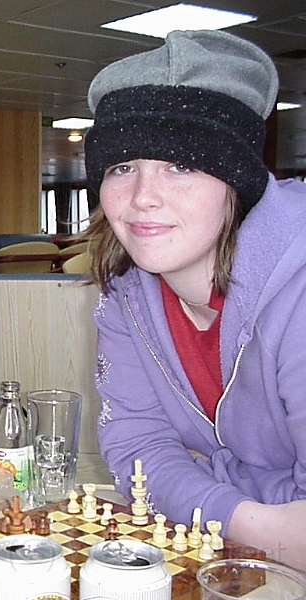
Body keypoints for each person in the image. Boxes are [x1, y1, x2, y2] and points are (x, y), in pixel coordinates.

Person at [84, 29, 306, 571]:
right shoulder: (125, 296)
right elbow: (138, 448)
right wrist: (242, 520)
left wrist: (196, 491)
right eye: (121, 167)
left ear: (237, 182)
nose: (142, 197)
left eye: (181, 165)